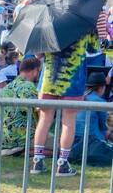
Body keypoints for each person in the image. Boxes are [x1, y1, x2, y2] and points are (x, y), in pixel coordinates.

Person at [32, 31, 101, 177]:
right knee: (68, 122)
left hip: (49, 79)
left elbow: (38, 54)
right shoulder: (86, 25)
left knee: (44, 120)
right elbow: (94, 49)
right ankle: (62, 163)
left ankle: (37, 161)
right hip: (73, 80)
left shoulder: (49, 24)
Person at [0, 55, 42, 155]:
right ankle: (24, 152)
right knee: (61, 145)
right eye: (39, 71)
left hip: (5, 139)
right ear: (35, 71)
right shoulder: (29, 87)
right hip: (25, 138)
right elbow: (40, 114)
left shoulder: (5, 88)